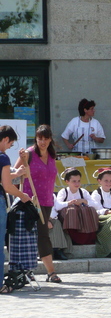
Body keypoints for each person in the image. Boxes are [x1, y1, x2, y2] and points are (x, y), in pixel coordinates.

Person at [15, 125, 63, 282]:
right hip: (30, 201)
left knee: (42, 235)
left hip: (47, 201)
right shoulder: (28, 154)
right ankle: (50, 272)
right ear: (36, 138)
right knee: (33, 236)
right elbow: (13, 176)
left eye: (45, 138)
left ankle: (40, 272)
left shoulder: (51, 155)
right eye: (39, 138)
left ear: (50, 139)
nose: (42, 141)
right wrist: (18, 196)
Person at [0, 126, 32, 294]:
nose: (9, 147)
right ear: (5, 139)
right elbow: (6, 186)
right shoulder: (3, 157)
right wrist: (23, 195)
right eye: (10, 143)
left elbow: (3, 176)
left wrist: (16, 173)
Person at [53, 168, 100, 245]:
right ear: (67, 182)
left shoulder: (83, 192)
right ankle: (73, 238)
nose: (77, 183)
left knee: (90, 210)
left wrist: (83, 201)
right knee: (72, 210)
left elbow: (96, 205)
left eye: (78, 181)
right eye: (74, 181)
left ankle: (88, 238)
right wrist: (68, 203)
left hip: (82, 217)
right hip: (68, 218)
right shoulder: (63, 192)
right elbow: (57, 206)